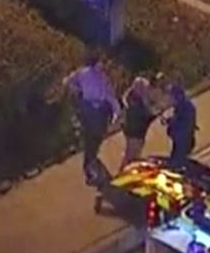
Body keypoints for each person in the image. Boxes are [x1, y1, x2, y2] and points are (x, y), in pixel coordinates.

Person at [64, 49, 120, 194]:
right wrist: (77, 91)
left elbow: (110, 95)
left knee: (94, 138)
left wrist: (116, 112)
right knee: (92, 139)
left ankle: (91, 160)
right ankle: (90, 166)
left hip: (96, 111)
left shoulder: (99, 76)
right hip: (92, 110)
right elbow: (110, 95)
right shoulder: (86, 74)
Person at [120, 76, 156, 168]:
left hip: (135, 131)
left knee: (131, 154)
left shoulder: (133, 100)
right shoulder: (135, 102)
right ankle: (123, 175)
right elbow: (144, 115)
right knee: (132, 155)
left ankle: (124, 172)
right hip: (135, 132)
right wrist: (154, 115)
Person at [164, 83, 197, 165]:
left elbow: (181, 125)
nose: (170, 98)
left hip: (183, 143)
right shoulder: (183, 106)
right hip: (183, 142)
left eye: (171, 96)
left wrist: (170, 124)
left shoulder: (184, 107)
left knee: (177, 164)